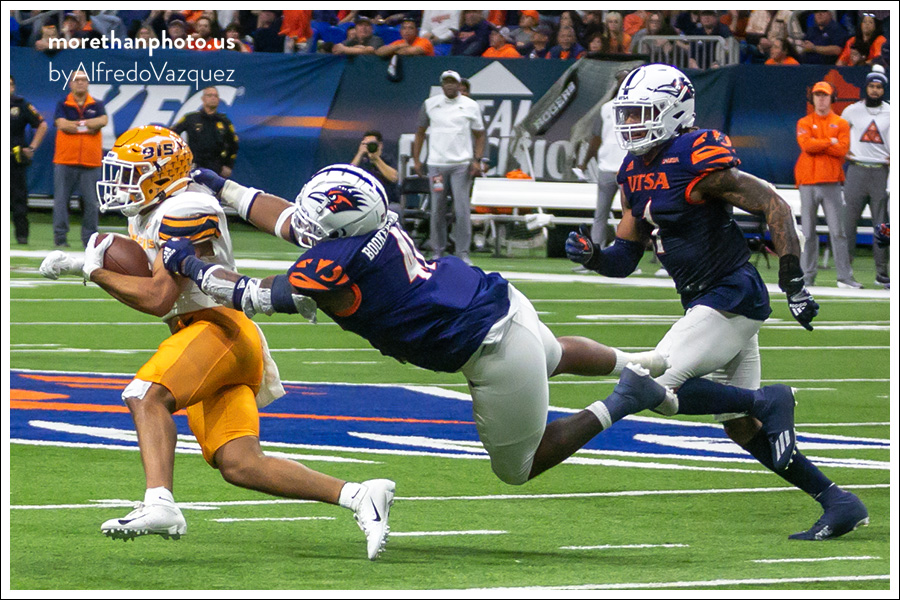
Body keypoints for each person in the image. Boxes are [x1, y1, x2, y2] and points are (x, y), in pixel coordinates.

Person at [164, 164, 806, 519]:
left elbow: (253, 294)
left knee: (517, 467)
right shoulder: (370, 225)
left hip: (489, 349)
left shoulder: (335, 262)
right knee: (553, 352)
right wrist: (222, 185)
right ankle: (632, 360)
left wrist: (189, 265)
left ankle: (623, 398)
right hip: (500, 302)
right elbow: (285, 218)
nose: (302, 226)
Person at [37, 126, 394, 560]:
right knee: (241, 464)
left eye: (132, 173)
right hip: (210, 338)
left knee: (146, 395)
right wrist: (83, 264)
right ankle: (359, 495)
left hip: (218, 330)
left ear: (162, 173)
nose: (122, 183)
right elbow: (151, 277)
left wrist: (93, 271)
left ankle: (160, 503)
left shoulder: (186, 207)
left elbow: (159, 297)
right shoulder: (155, 206)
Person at [566, 64, 868, 541]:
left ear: (673, 112)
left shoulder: (693, 156)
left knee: (651, 383)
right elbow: (626, 255)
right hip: (707, 300)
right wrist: (594, 257)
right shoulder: (634, 170)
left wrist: (792, 280)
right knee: (740, 426)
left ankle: (769, 399)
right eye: (628, 113)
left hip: (730, 294)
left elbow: (774, 204)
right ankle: (838, 500)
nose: (631, 123)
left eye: (642, 113)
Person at [412, 70, 486, 263]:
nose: (450, 85)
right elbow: (420, 133)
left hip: (461, 165)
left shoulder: (470, 106)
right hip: (436, 165)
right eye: (446, 82)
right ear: (442, 85)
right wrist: (417, 160)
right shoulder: (430, 104)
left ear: (459, 85)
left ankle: (463, 253)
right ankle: (437, 251)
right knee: (437, 209)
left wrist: (477, 160)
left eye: (453, 82)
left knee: (461, 210)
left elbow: (480, 134)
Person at [795, 80, 859, 288]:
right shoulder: (804, 122)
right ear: (812, 98)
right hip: (807, 181)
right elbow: (807, 146)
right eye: (817, 95)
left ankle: (844, 277)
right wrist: (829, 141)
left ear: (832, 98)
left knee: (838, 231)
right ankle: (807, 276)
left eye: (825, 95)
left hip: (831, 181)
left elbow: (842, 149)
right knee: (807, 232)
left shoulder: (840, 123)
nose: (821, 99)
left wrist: (820, 143)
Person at [840, 70, 890, 289]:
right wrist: (843, 151)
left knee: (882, 225)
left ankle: (882, 274)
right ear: (866, 88)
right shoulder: (852, 110)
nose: (875, 90)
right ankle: (845, 274)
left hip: (881, 171)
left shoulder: (891, 111)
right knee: (849, 223)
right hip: (856, 169)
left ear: (883, 90)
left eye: (879, 87)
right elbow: (838, 132)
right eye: (872, 86)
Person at [576, 69, 630, 250]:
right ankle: (595, 253)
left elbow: (596, 139)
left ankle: (627, 253)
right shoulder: (607, 108)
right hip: (610, 167)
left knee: (628, 214)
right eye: (621, 80)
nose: (622, 83)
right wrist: (584, 162)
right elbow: (596, 139)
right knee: (603, 214)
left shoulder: (637, 107)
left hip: (626, 168)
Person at [52, 69, 107, 248]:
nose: (80, 82)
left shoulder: (97, 104)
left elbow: (103, 121)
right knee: (61, 201)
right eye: (77, 80)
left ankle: (90, 239)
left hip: (91, 161)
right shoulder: (63, 104)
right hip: (65, 160)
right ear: (71, 84)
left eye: (84, 79)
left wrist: (75, 125)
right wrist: (88, 126)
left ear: (88, 83)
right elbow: (62, 124)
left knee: (91, 203)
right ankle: (60, 238)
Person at [10, 75, 48, 245]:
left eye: (10, 84)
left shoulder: (21, 105)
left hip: (14, 158)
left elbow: (42, 124)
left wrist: (32, 147)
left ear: (13, 87)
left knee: (18, 199)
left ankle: (22, 236)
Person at [171, 87, 239, 178]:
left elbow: (233, 145)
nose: (213, 98)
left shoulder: (224, 122)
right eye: (209, 95)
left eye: (216, 96)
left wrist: (228, 165)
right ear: (203, 98)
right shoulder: (191, 118)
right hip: (194, 165)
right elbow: (172, 134)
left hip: (216, 167)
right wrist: (179, 159)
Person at [351, 130, 399, 208]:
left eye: (372, 144)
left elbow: (394, 177)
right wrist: (360, 153)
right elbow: (349, 174)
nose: (369, 146)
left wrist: (376, 159)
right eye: (366, 144)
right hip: (364, 200)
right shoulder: (361, 160)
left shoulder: (388, 159)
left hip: (386, 201)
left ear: (380, 145)